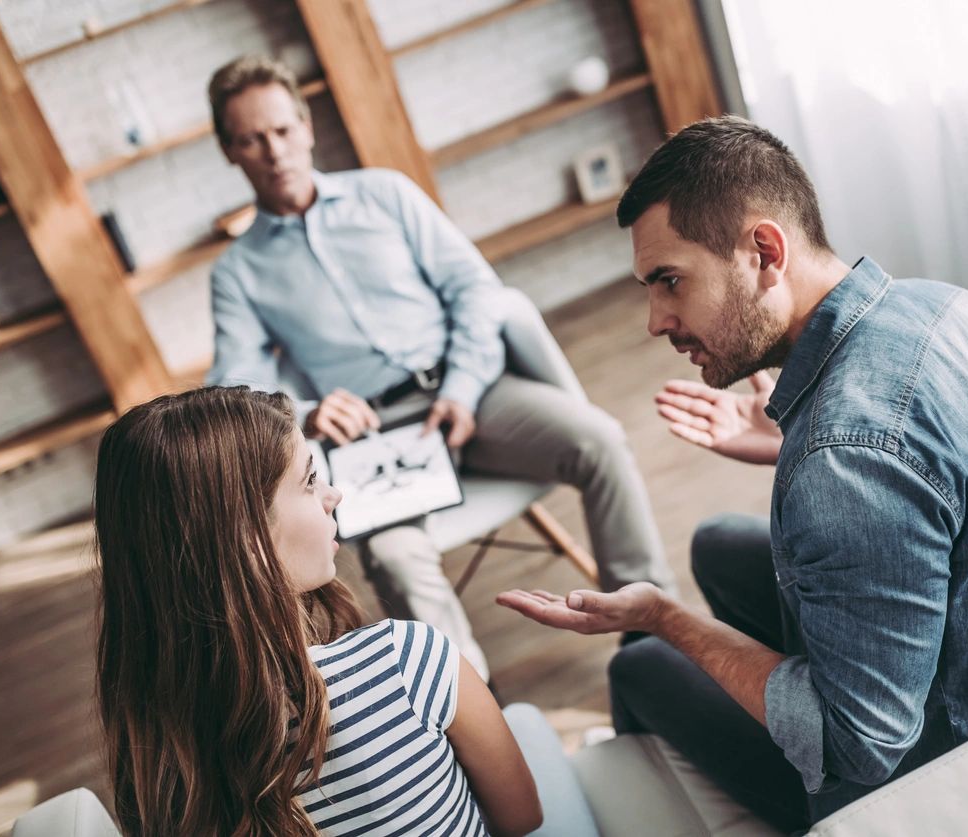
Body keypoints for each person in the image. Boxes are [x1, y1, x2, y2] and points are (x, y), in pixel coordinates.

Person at [498, 115, 968, 829]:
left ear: (764, 250)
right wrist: (792, 443)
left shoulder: (845, 460)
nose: (655, 319)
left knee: (639, 664)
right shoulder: (949, 306)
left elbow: (859, 743)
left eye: (670, 282)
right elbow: (926, 474)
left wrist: (665, 617)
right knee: (714, 539)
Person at [204, 56, 676, 682]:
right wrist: (307, 411)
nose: (274, 151)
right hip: (375, 439)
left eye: (283, 130)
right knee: (394, 558)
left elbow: (473, 290)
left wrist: (460, 387)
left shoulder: (387, 194)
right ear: (229, 152)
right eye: (251, 139)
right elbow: (231, 389)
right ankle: (479, 720)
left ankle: (651, 646)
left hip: (473, 393)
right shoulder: (238, 272)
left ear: (307, 125)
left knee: (602, 442)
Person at [94, 386, 550, 835]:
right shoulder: (406, 661)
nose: (334, 495)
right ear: (248, 539)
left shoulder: (152, 756)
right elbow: (522, 817)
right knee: (528, 725)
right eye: (311, 481)